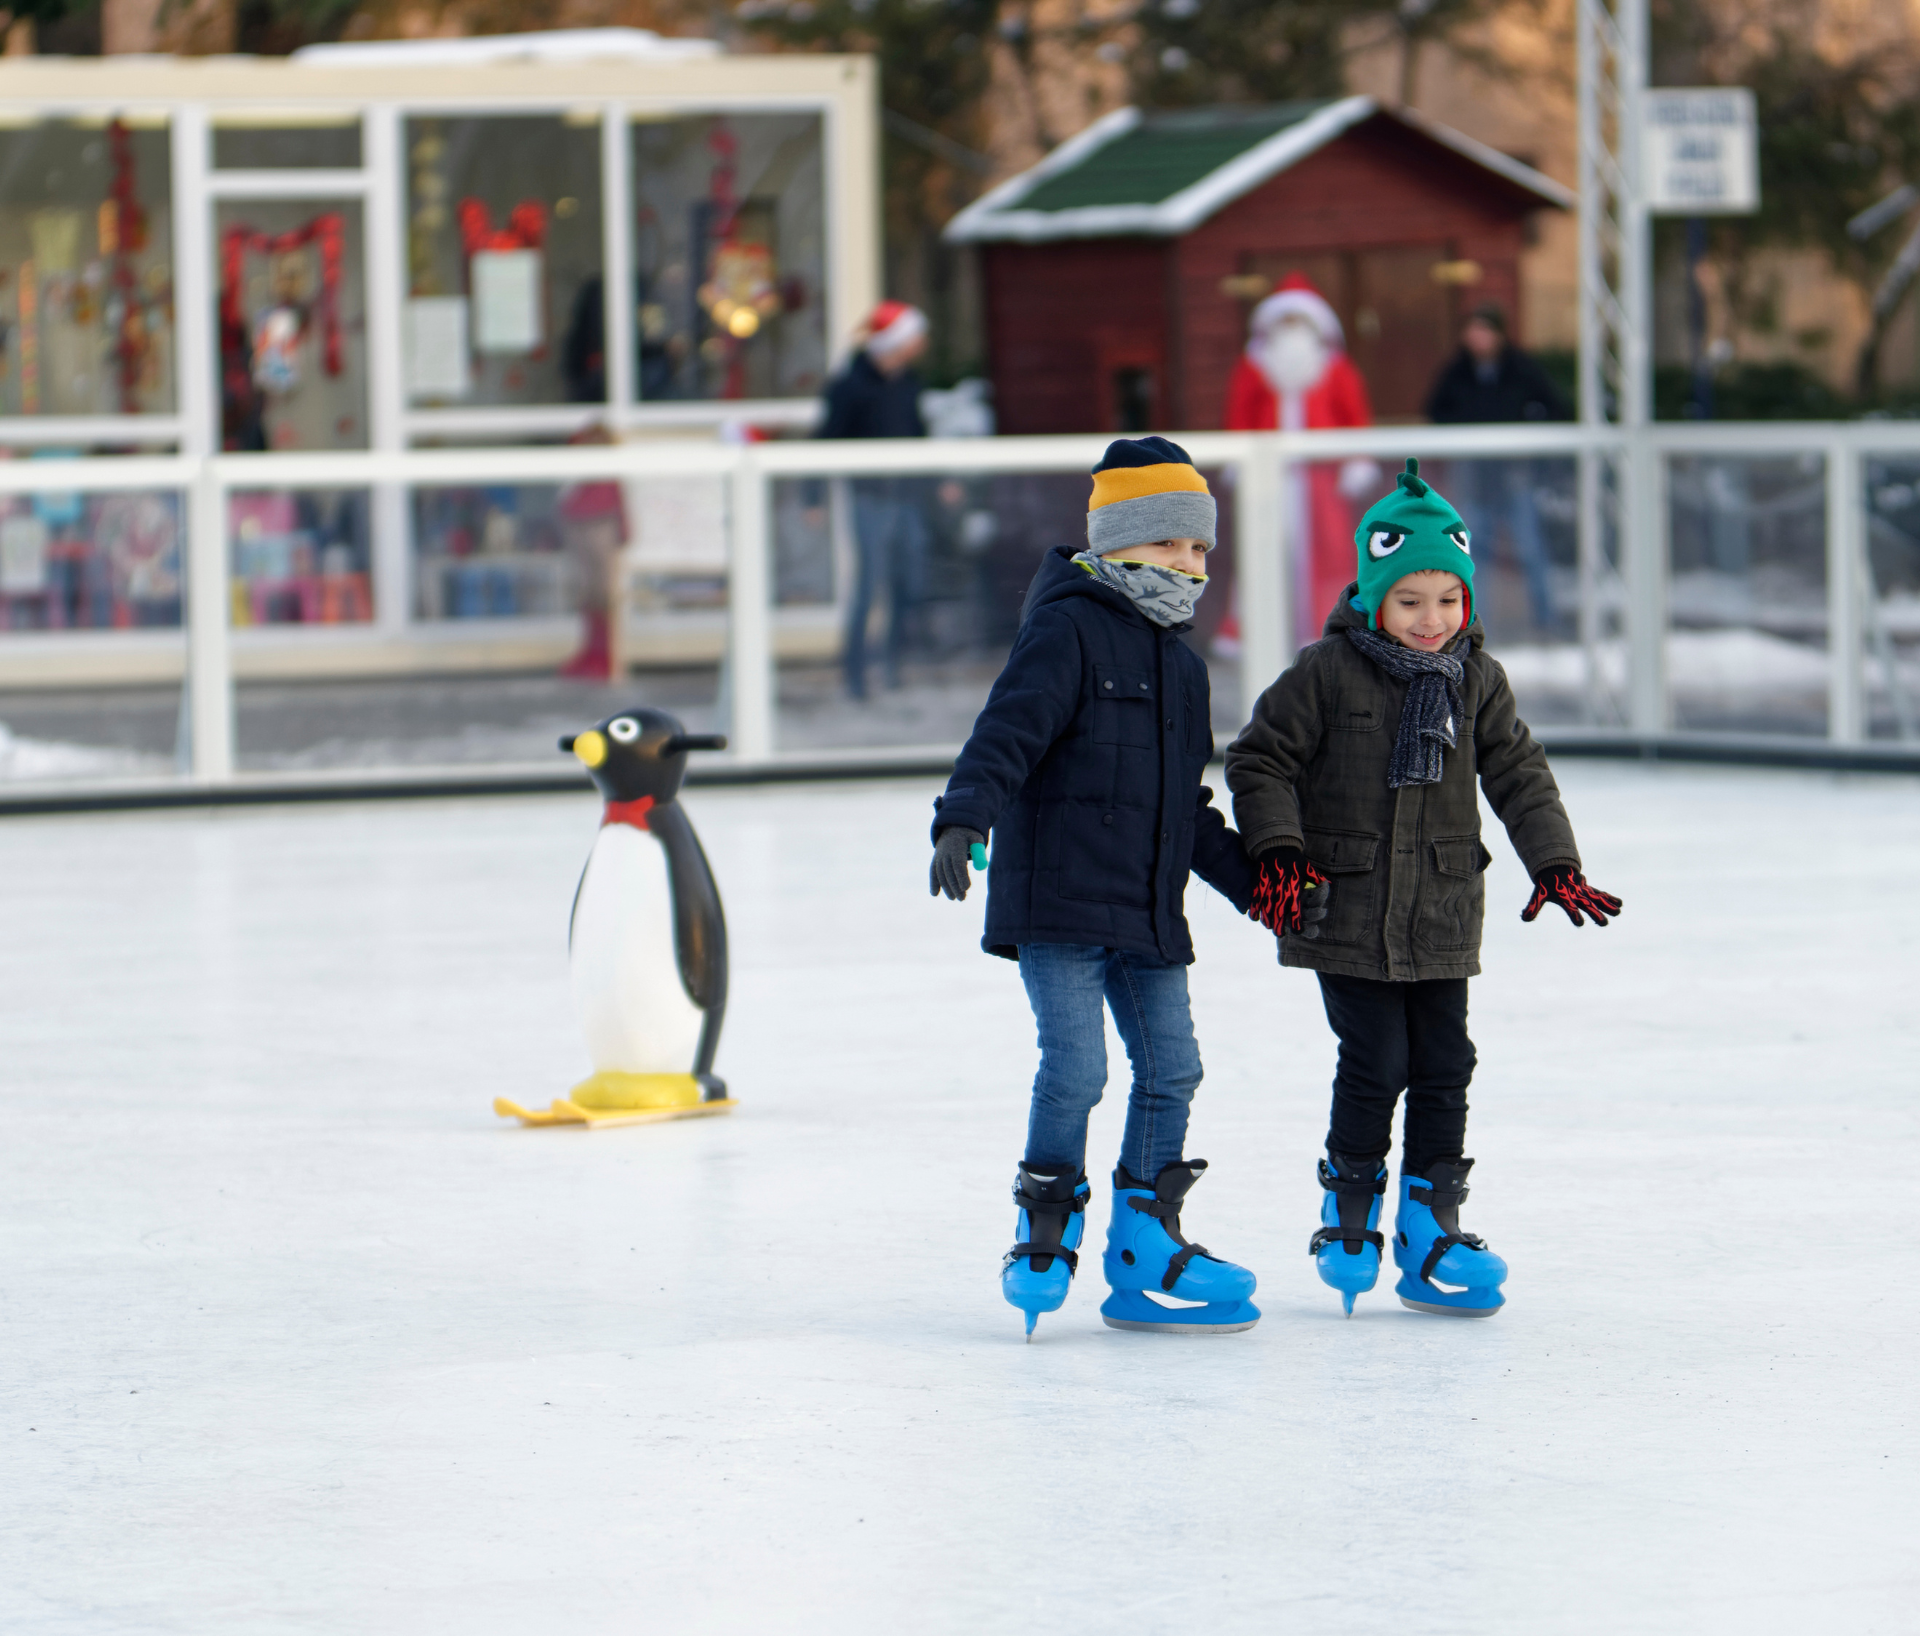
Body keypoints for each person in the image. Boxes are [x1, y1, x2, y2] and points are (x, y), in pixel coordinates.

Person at [1225, 458, 1621, 1318]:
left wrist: (1554, 861)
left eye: (1448, 599)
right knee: (1377, 1060)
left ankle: (1431, 1221)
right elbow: (1259, 758)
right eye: (1410, 601)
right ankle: (1351, 1207)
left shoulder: (1477, 679)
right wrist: (1281, 853)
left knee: (1446, 1061)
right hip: (1347, 904)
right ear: (1373, 596)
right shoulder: (1326, 670)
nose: (1431, 619)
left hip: (1441, 905)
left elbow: (1519, 770)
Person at [928, 437, 1265, 1341]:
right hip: (1063, 904)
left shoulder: (1184, 668)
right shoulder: (1066, 628)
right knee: (1077, 1069)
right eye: (1169, 548)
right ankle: (1045, 1228)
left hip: (1147, 908)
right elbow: (1008, 731)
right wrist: (964, 816)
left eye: (1199, 551)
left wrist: (1256, 889)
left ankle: (1146, 1243)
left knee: (1174, 1067)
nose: (1189, 567)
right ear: (1117, 543)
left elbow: (1185, 808)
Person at [1223, 274, 1379, 647]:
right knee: (1263, 548)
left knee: (1329, 551)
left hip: (1321, 477)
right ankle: (1253, 632)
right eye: (1285, 321)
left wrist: (1357, 460)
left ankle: (1331, 627)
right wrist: (1238, 460)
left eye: (1299, 321)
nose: (1292, 329)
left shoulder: (1336, 367)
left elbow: (1354, 415)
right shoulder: (1254, 366)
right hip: (1268, 475)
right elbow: (1239, 415)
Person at [1424, 304, 1571, 631]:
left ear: (1499, 334)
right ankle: (1473, 620)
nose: (1478, 338)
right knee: (1472, 552)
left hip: (1515, 475)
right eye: (1472, 330)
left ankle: (1546, 619)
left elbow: (1554, 408)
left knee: (1531, 547)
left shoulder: (1521, 369)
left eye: (1484, 330)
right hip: (1474, 477)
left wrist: (1531, 442)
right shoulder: (1457, 373)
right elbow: (1436, 412)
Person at [818, 300, 932, 699]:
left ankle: (893, 664)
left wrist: (938, 483)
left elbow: (920, 434)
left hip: (907, 496)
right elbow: (825, 439)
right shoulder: (849, 386)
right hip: (869, 496)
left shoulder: (909, 382)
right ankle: (855, 672)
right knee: (868, 583)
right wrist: (812, 496)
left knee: (908, 578)